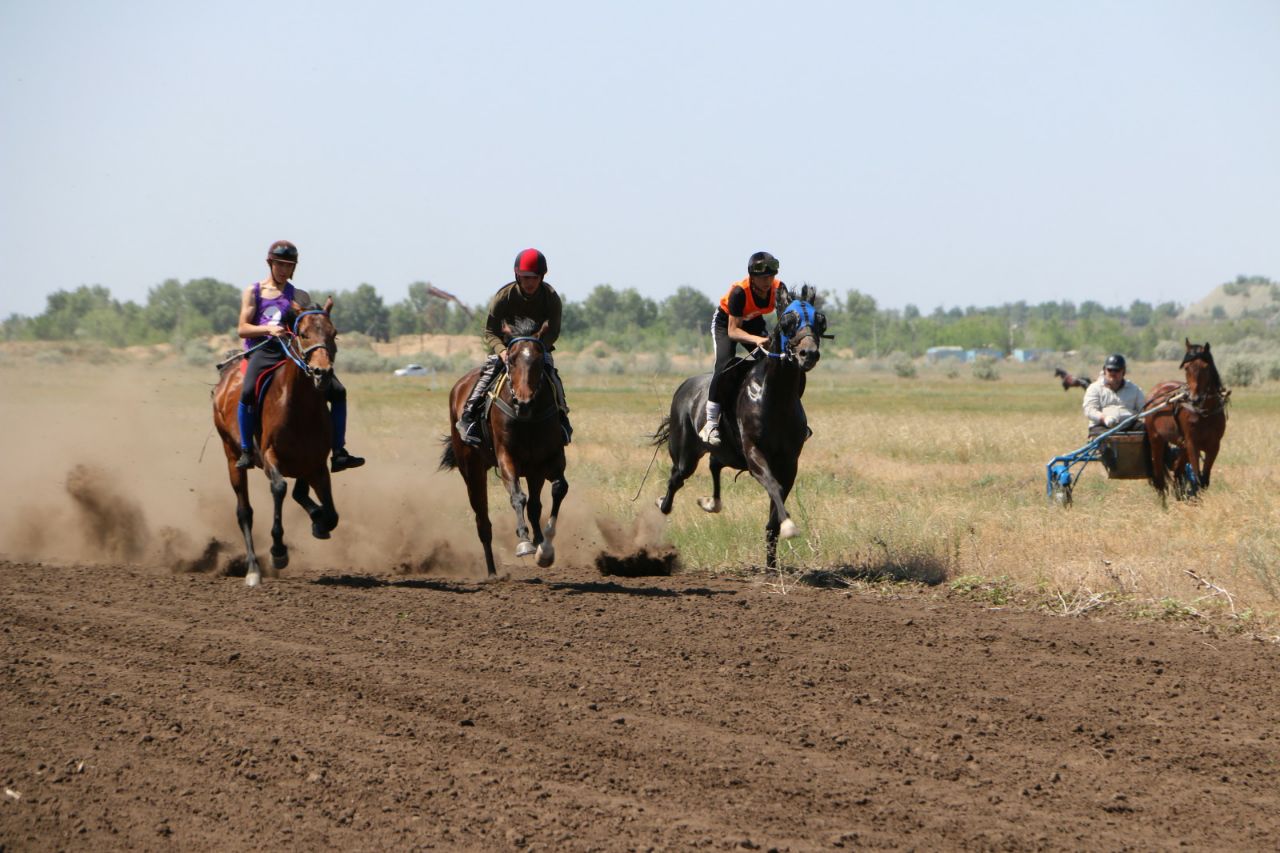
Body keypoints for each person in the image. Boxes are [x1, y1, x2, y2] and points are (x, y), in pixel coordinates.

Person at [234, 240, 365, 472]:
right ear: (270, 264)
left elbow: (309, 326)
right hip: (263, 350)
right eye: (279, 264)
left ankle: (338, 452)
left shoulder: (300, 296)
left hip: (292, 353)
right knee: (247, 390)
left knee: (337, 391)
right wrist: (267, 330)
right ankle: (246, 450)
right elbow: (242, 328)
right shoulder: (254, 291)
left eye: (289, 265)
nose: (284, 270)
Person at [455, 248, 573, 446]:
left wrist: (537, 349)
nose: (529, 282)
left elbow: (553, 332)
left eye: (534, 277)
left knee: (552, 374)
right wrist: (501, 351)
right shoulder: (504, 297)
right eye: (524, 277)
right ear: (517, 276)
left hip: (537, 349)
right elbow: (490, 331)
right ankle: (469, 416)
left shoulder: (551, 298)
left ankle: (562, 418)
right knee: (489, 372)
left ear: (542, 276)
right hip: (508, 348)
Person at [699, 251, 784, 447]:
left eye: (771, 276)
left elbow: (784, 320)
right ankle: (710, 422)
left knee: (772, 360)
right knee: (725, 365)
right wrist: (757, 340)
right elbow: (733, 331)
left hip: (752, 321)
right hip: (726, 325)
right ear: (752, 277)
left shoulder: (779, 289)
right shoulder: (739, 292)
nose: (767, 282)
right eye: (762, 278)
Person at [1083, 353, 1145, 438]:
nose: (1113, 373)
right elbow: (1089, 410)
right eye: (1110, 370)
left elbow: (1144, 410)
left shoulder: (1135, 389)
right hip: (1101, 426)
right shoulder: (1094, 388)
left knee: (1150, 430)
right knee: (1106, 437)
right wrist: (1104, 418)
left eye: (1117, 370)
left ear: (1123, 371)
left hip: (1130, 426)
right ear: (1104, 370)